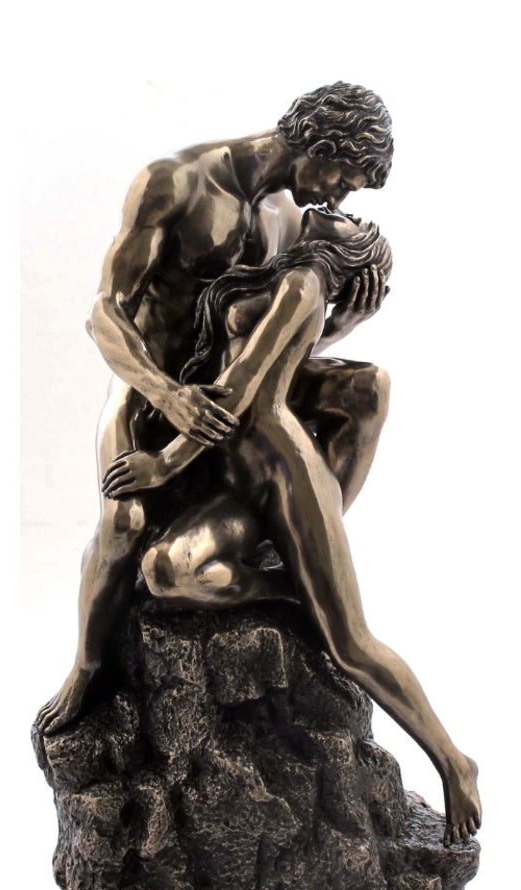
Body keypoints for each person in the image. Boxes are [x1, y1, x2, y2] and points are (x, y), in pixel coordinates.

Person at [99, 210, 482, 847]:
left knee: (351, 644)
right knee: (166, 571)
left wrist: (162, 463)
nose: (341, 209)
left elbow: (236, 390)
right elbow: (276, 354)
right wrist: (345, 325)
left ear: (348, 256)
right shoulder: (279, 275)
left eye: (355, 222)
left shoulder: (303, 284)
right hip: (236, 482)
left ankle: (453, 761)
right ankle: (292, 592)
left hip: (284, 473)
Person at [37, 84, 394, 736]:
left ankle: (296, 553)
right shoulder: (175, 181)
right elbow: (104, 312)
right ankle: (87, 667)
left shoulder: (287, 216)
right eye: (344, 178)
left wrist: (348, 321)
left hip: (228, 395)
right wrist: (166, 394)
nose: (340, 199)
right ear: (322, 143)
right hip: (151, 388)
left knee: (366, 389)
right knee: (123, 525)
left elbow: (265, 352)